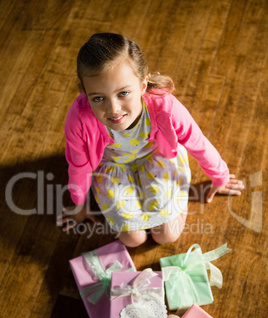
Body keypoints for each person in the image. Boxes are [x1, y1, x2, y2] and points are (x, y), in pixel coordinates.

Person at [57, 32, 244, 247]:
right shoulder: (79, 119)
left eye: (123, 93)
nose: (113, 109)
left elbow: (198, 142)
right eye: (98, 98)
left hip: (156, 156)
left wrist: (220, 177)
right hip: (112, 166)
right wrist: (80, 205)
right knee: (133, 240)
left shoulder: (165, 108)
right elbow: (78, 166)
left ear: (143, 85)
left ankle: (174, 206)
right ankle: (141, 217)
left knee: (166, 235)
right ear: (85, 93)